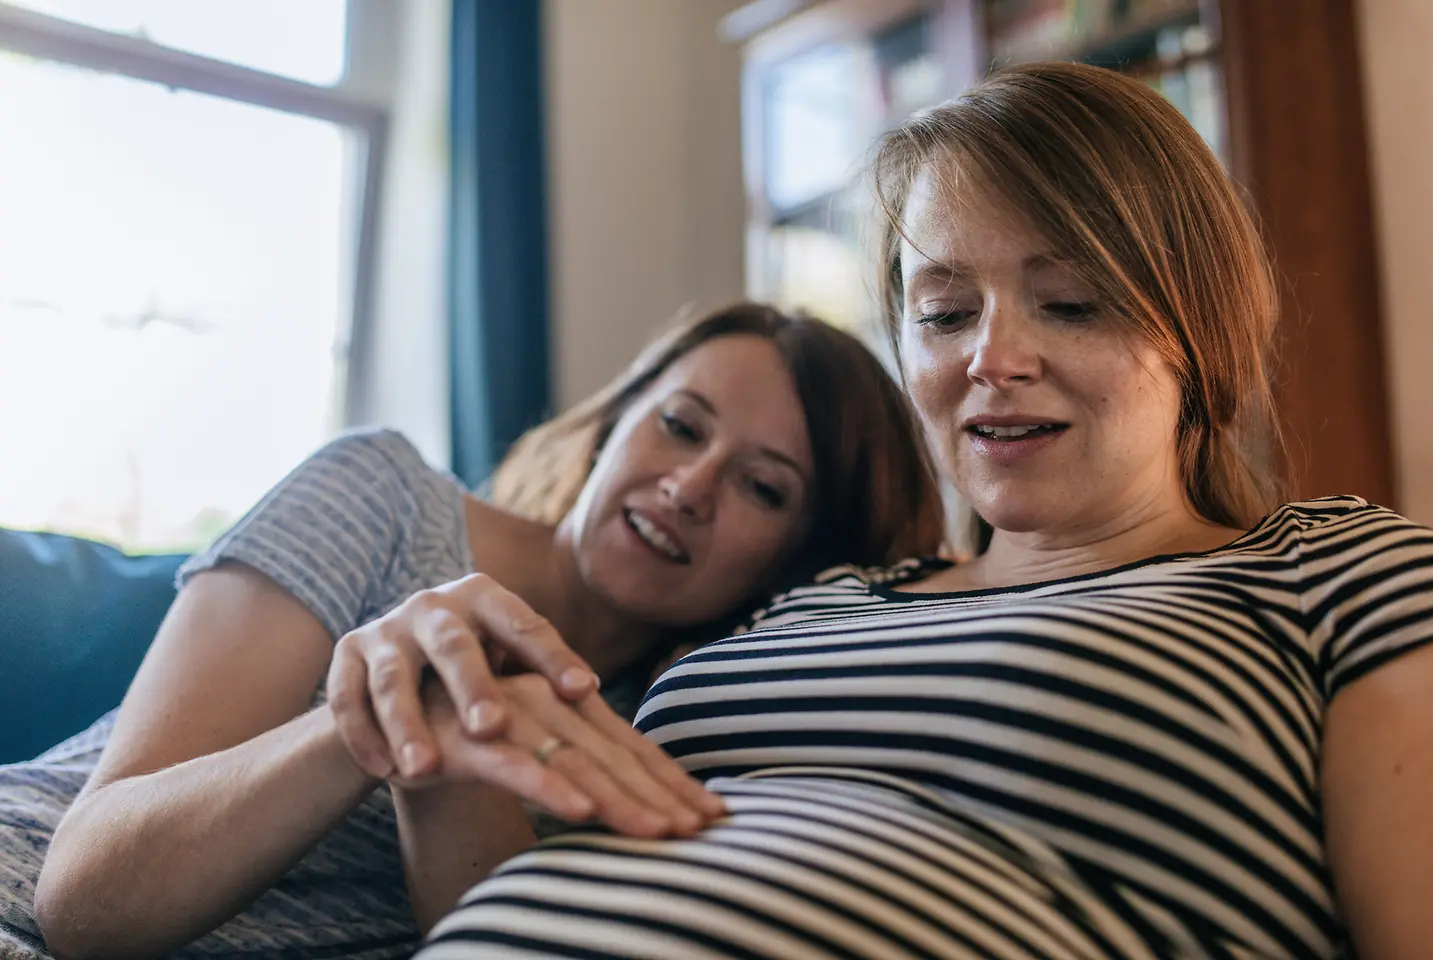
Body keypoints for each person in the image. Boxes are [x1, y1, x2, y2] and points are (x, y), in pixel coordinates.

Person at [405, 62, 1433, 959]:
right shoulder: (821, 600)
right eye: (944, 313)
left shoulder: (1339, 575)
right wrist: (436, 750)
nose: (991, 359)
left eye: (1070, 302)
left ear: (1200, 329)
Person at [2, 303, 945, 959]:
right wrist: (374, 719)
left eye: (762, 487)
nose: (689, 488)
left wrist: (459, 745)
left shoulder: (683, 736)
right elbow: (84, 898)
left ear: (795, 559)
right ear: (615, 419)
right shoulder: (382, 497)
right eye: (679, 426)